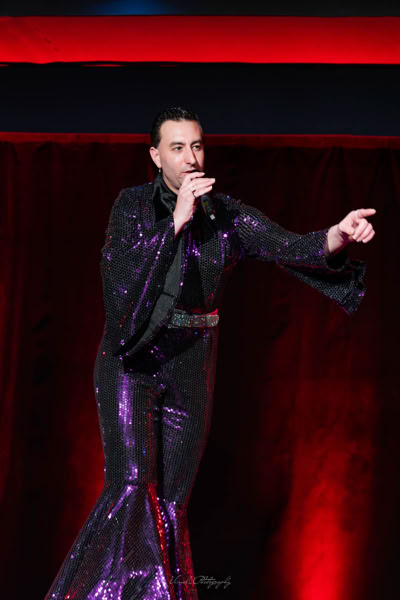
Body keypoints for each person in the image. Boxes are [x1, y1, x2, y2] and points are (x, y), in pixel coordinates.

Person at [44, 107, 375, 600]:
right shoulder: (132, 207)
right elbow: (119, 282)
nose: (191, 158)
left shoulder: (225, 216)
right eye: (177, 148)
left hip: (192, 364)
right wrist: (175, 224)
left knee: (171, 505)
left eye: (197, 146)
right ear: (156, 156)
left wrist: (338, 235)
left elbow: (289, 246)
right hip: (133, 361)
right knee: (133, 486)